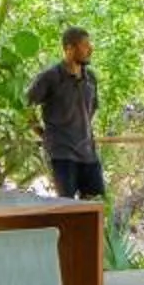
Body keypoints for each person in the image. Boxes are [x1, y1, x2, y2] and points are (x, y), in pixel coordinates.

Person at [26, 27, 105, 200]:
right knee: (67, 207)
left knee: (95, 204)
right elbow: (26, 107)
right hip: (62, 154)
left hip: (88, 153)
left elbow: (92, 109)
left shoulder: (90, 78)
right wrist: (43, 133)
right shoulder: (50, 77)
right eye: (85, 45)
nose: (90, 49)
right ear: (69, 48)